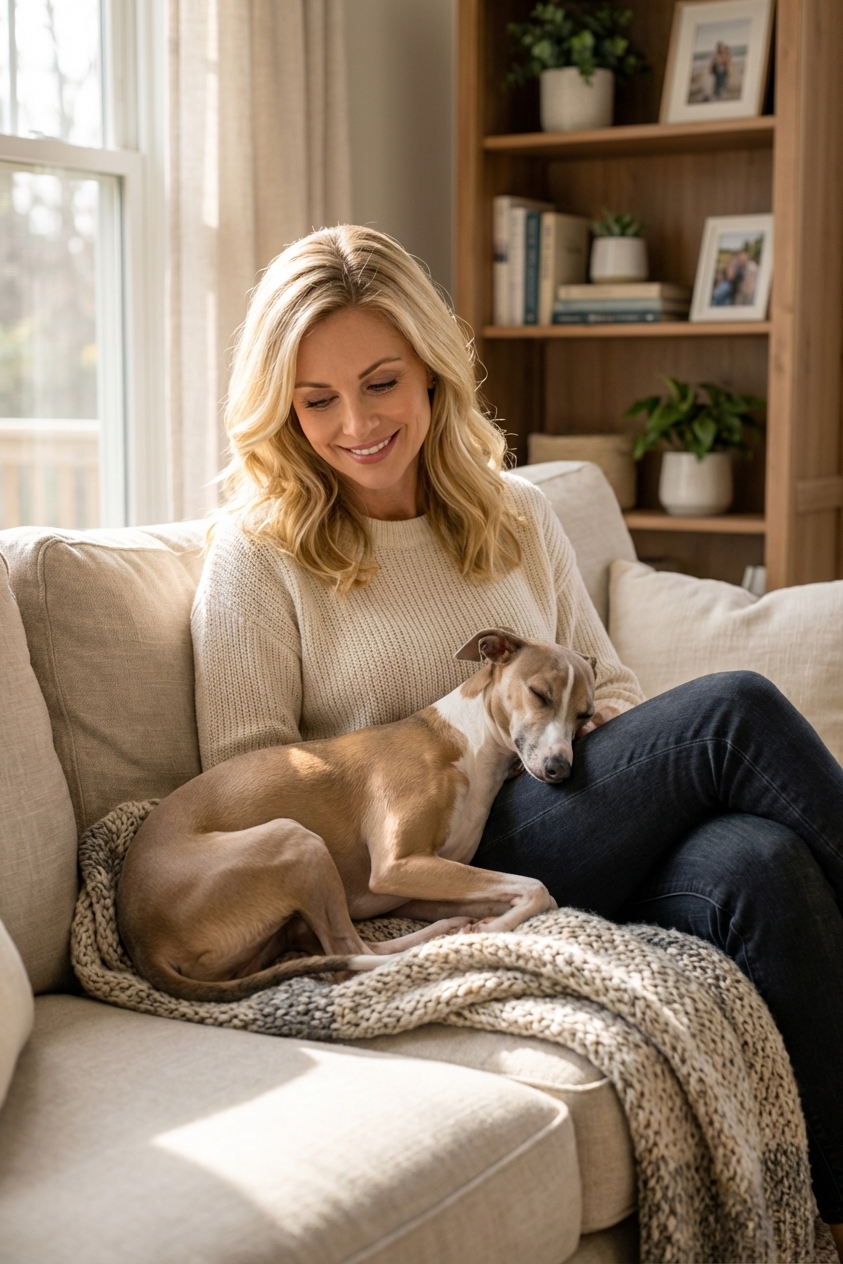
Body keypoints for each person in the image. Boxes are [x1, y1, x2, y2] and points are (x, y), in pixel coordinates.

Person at [192, 224, 843, 1253]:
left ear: (433, 375)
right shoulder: (260, 554)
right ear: (280, 407)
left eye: (380, 382)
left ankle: (832, 1212)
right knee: (735, 711)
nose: (355, 423)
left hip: (570, 799)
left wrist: (635, 777)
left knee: (764, 863)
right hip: (436, 862)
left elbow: (612, 686)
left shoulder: (516, 512)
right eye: (316, 399)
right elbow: (253, 777)